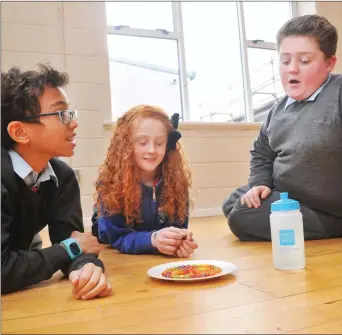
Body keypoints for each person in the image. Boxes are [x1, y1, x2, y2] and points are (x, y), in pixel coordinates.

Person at [222, 15, 342, 241]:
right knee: (232, 202)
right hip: (284, 194)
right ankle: (279, 209)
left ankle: (331, 225)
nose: (292, 70)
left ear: (329, 63)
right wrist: (260, 184)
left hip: (325, 207)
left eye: (304, 61)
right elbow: (262, 154)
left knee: (241, 216)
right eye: (285, 61)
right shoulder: (278, 108)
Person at [1, 64, 112, 299]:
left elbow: (73, 240)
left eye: (70, 113)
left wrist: (86, 267)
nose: (73, 123)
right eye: (61, 114)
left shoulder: (62, 176)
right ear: (20, 132)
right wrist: (69, 250)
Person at [92, 105, 198, 257]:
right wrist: (152, 240)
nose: (152, 150)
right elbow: (116, 237)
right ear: (126, 144)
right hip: (119, 245)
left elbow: (179, 226)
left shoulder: (176, 181)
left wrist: (180, 240)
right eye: (142, 142)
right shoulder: (110, 184)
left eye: (160, 143)